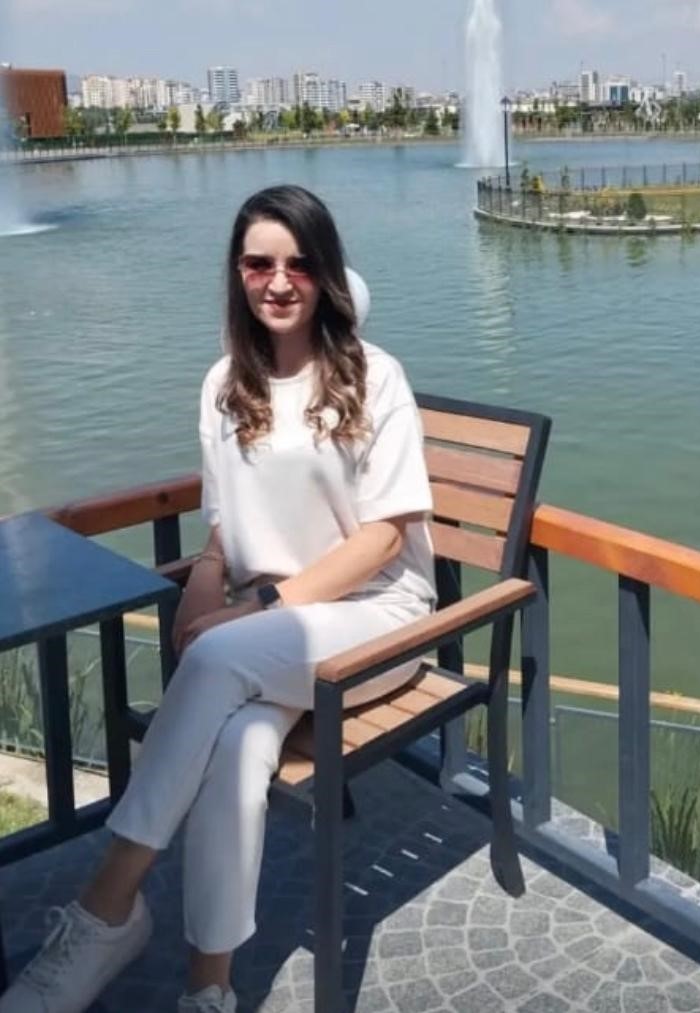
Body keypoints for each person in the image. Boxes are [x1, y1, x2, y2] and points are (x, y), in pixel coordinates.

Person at [0, 185, 436, 1013]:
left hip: (376, 617)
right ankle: (211, 988)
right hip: (271, 636)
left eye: (299, 263)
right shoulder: (223, 385)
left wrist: (254, 611)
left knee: (218, 657)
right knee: (236, 749)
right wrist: (202, 594)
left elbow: (385, 538)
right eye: (259, 263)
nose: (280, 281)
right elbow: (223, 531)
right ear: (237, 273)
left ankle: (106, 907)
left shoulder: (373, 377)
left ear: (326, 273)